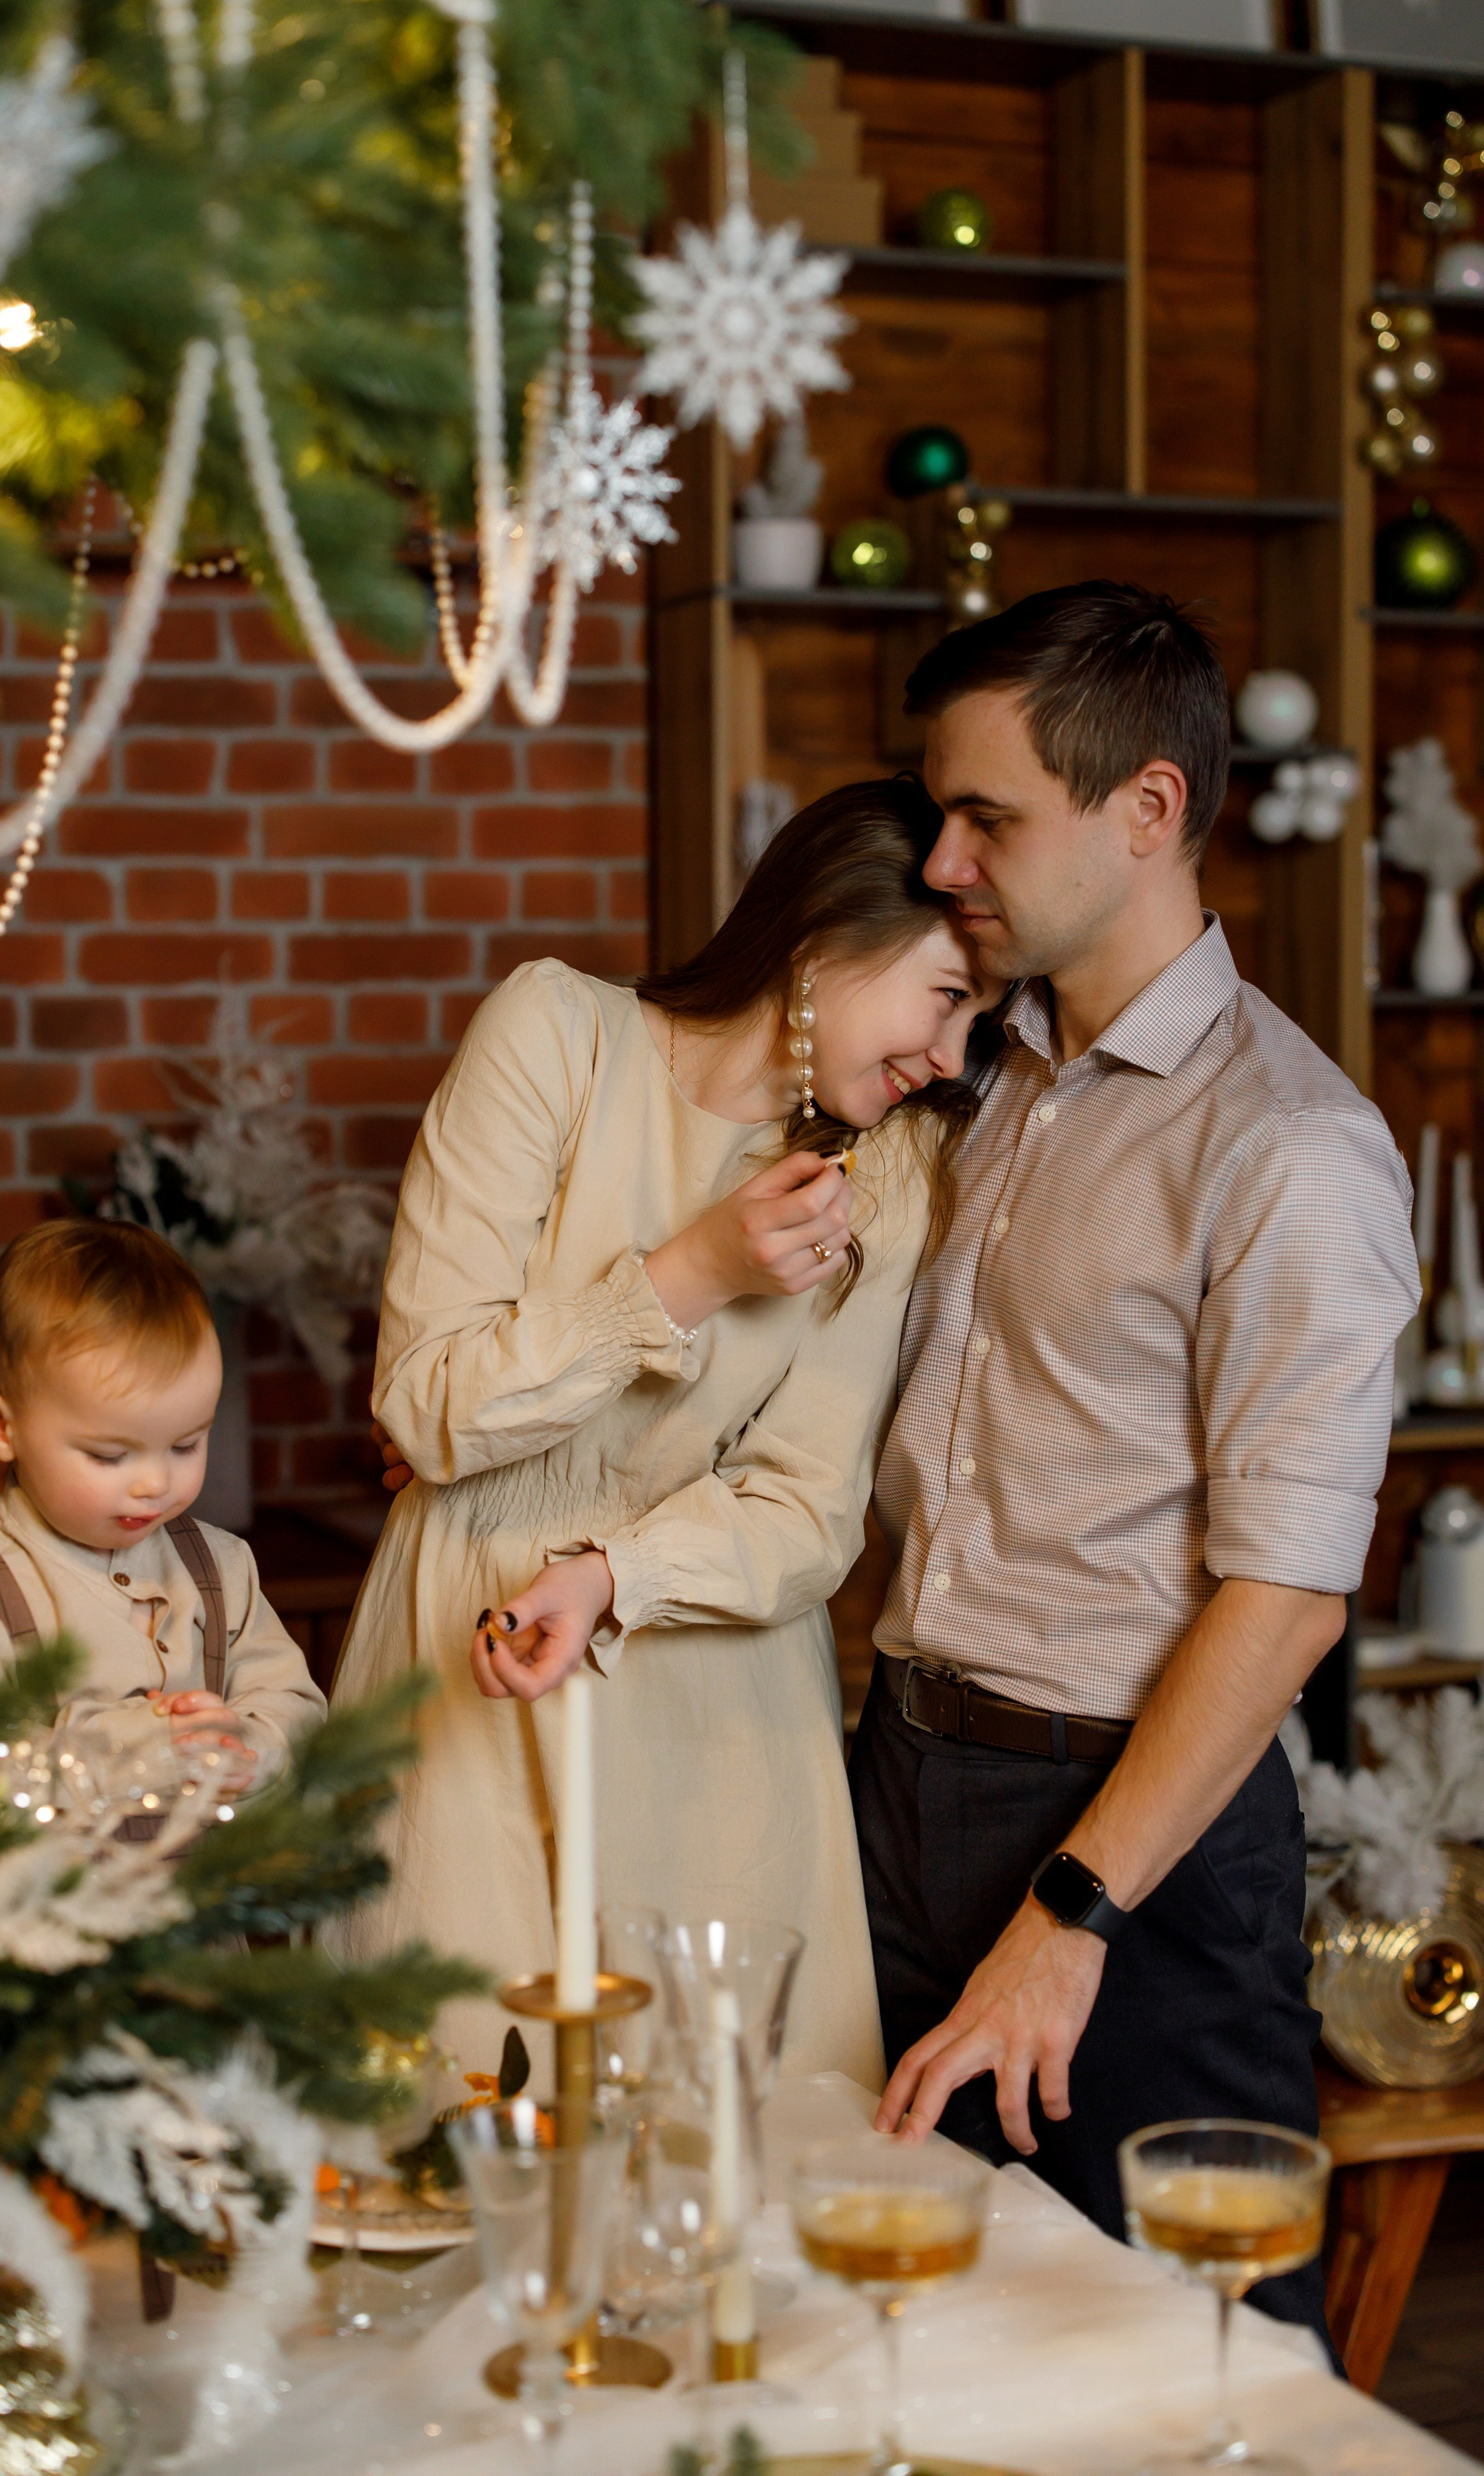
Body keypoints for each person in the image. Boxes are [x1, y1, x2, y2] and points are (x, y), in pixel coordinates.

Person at [850, 583, 1419, 2340]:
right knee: (911, 2346)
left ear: (1147, 810)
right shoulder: (988, 1080)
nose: (943, 858)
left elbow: (1291, 1597)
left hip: (1131, 1860)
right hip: (899, 1791)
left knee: (1197, 2381)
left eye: (988, 818)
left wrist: (1072, 1912)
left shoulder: (1294, 1147)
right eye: (940, 813)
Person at [331, 778, 1000, 2083]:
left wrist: (614, 1577)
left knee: (731, 2158)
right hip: (468, 1647)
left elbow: (809, 1509)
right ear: (824, 939)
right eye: (944, 999)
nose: (950, 1059)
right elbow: (427, 1400)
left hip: (714, 1701)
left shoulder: (896, 1169)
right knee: (452, 2136)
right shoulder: (556, 1035)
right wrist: (686, 1273)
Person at [0, 1219, 325, 1797]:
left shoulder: (221, 1568)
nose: (154, 1483)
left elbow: (296, 1703)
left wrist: (250, 1745)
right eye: (108, 1455)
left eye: (185, 1444)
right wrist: (143, 1742)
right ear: (0, 1426)